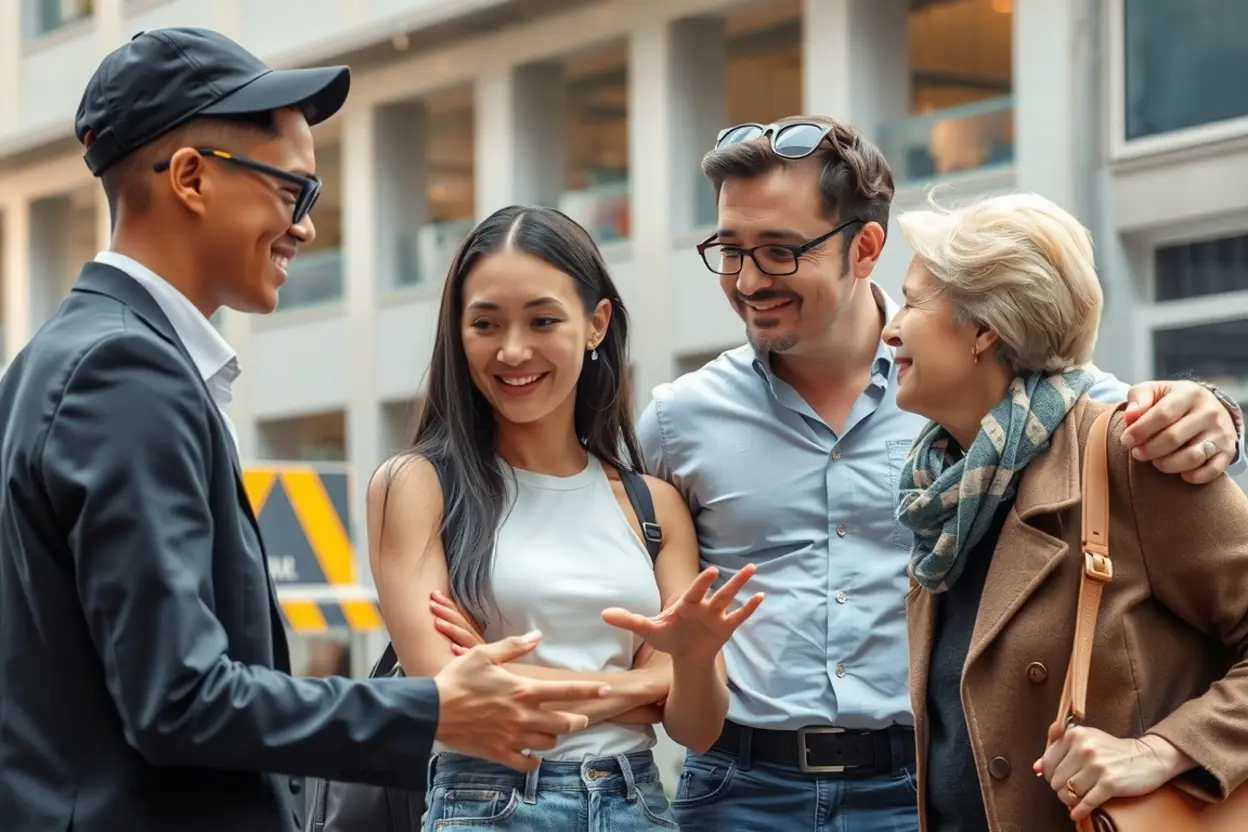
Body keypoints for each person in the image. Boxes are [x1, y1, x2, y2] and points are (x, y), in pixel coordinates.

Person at [0, 29, 609, 832]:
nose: (307, 229)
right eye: (296, 192)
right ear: (191, 177)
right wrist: (432, 710)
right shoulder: (125, 372)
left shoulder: (65, 357)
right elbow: (178, 699)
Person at [638, 115, 1246, 831]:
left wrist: (1217, 412)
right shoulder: (678, 420)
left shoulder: (982, 389)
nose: (746, 280)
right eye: (729, 250)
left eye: (777, 251)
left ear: (863, 247)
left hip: (920, 788)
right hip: (743, 790)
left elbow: (1111, 412)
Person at [370, 204, 764, 831]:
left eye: (544, 319)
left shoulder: (654, 505)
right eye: (486, 324)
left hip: (635, 804)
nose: (513, 350)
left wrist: (685, 665)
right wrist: (640, 688)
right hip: (487, 805)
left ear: (596, 323)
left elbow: (696, 726)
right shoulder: (417, 485)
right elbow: (455, 696)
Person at [885, 192, 1248, 830]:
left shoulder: (1120, 451)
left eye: (912, 301)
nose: (889, 327)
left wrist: (1162, 751)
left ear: (983, 329)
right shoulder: (942, 492)